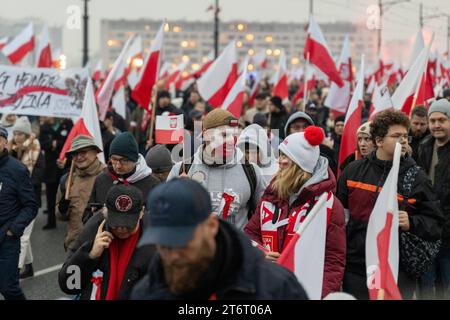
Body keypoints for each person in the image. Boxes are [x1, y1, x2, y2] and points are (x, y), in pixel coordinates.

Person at [131, 178, 308, 300]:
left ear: (211, 226)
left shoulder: (275, 288)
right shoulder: (146, 293)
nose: (173, 256)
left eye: (183, 242)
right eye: (164, 246)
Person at [337, 110, 443, 300]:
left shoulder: (417, 178)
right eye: (396, 136)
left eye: (405, 136)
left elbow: (435, 224)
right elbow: (338, 220)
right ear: (378, 141)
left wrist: (412, 222)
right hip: (357, 267)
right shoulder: (352, 172)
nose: (403, 141)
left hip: (397, 270)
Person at [244, 126, 346, 298]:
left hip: (304, 291)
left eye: (285, 156)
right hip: (269, 287)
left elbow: (333, 261)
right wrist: (261, 254)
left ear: (300, 165)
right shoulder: (271, 195)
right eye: (280, 155)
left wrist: (321, 296)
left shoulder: (328, 205)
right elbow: (250, 234)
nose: (279, 161)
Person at [167, 109, 266, 231]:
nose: (231, 141)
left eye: (234, 135)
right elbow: (166, 216)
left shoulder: (251, 172)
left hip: (235, 248)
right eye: (224, 135)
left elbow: (263, 218)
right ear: (206, 134)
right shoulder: (182, 169)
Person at [58, 185, 155, 300]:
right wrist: (90, 255)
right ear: (105, 211)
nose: (121, 228)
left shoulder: (154, 237)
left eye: (128, 224)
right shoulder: (94, 227)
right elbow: (69, 286)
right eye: (115, 223)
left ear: (141, 213)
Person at [83, 132, 160, 223]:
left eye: (124, 160)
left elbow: (160, 220)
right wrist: (97, 215)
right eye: (114, 159)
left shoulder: (152, 184)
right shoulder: (101, 180)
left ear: (135, 160)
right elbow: (86, 217)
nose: (118, 165)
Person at [416, 98, 450, 299]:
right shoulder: (424, 146)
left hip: (448, 236)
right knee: (427, 289)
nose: (436, 125)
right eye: (433, 120)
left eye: (442, 120)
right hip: (427, 233)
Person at [0, 126, 38, 300]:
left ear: (5, 142)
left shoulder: (17, 170)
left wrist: (13, 230)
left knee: (8, 288)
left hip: (6, 240)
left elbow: (31, 205)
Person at [7, 117, 44, 279]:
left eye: (20, 134)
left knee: (21, 235)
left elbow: (38, 174)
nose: (16, 137)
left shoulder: (36, 149)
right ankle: (28, 267)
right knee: (24, 235)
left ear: (27, 134)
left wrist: (22, 184)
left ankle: (14, 271)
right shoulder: (12, 150)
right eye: (15, 134)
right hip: (14, 200)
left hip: (30, 200)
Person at [56, 135, 106, 252]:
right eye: (75, 153)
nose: (79, 157)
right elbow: (59, 216)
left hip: (102, 247)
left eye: (83, 152)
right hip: (74, 247)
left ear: (95, 152)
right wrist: (62, 209)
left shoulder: (108, 176)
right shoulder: (67, 180)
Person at [39, 116, 73, 230]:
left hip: (65, 166)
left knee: (67, 193)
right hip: (50, 167)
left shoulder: (68, 123)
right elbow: (43, 144)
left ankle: (68, 218)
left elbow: (70, 141)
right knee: (50, 195)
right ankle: (51, 220)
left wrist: (57, 143)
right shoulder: (45, 127)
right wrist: (51, 144)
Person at [284, 111, 337, 175]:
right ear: (288, 131)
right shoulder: (281, 156)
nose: (301, 131)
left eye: (305, 127)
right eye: (296, 127)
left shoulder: (325, 157)